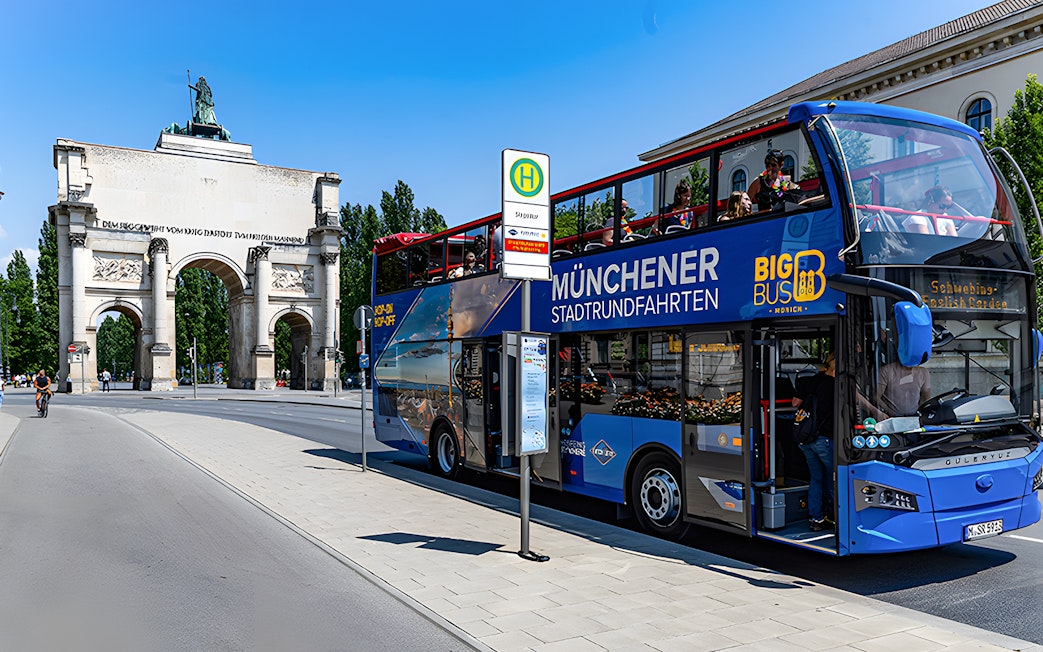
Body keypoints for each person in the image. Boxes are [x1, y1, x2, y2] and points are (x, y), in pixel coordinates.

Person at [791, 352, 835, 531]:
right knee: (834, 479)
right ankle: (835, 516)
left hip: (806, 439)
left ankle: (816, 519)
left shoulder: (813, 380)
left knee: (816, 478)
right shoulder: (837, 385)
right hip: (824, 439)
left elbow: (795, 403)